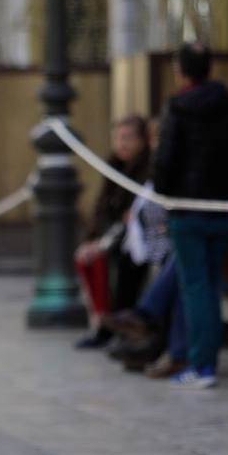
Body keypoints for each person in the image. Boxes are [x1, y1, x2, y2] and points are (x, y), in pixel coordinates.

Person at [152, 43, 228, 388]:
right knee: (209, 287)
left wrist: (165, 193)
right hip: (224, 209)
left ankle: (202, 365)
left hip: (189, 212)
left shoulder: (178, 109)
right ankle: (204, 361)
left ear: (180, 72)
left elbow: (165, 163)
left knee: (195, 288)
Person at [73, 115, 151, 348]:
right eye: (117, 138)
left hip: (137, 237)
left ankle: (115, 325)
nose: (121, 144)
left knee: (117, 264)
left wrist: (105, 240)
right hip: (114, 233)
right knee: (86, 257)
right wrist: (93, 239)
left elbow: (135, 213)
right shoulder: (114, 166)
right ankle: (102, 321)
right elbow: (102, 207)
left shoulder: (147, 167)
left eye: (128, 138)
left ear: (142, 141)